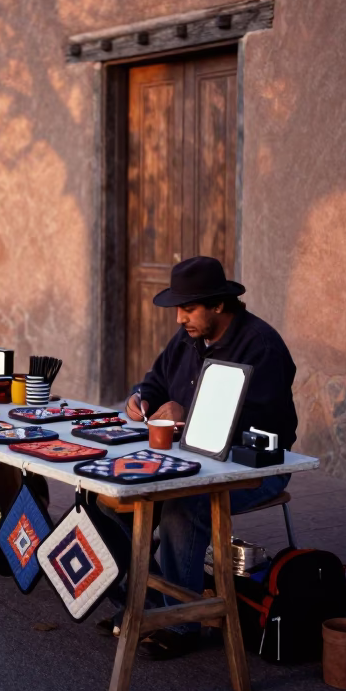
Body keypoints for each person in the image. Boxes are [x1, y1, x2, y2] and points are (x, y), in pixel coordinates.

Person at [120, 255, 298, 659]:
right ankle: (137, 603)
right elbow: (156, 380)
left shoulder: (262, 346)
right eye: (179, 309)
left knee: (187, 503)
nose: (180, 318)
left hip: (255, 467)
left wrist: (189, 416)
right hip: (190, 457)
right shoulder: (189, 337)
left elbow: (261, 426)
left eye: (188, 308)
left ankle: (181, 623)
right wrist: (142, 397)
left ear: (219, 305)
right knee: (117, 493)